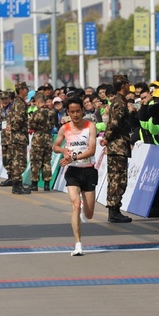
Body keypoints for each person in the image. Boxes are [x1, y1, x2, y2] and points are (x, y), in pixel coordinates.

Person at [53, 97, 98, 256]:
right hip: (72, 171)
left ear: (82, 111)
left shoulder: (90, 126)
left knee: (89, 213)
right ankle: (78, 244)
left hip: (88, 170)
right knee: (75, 204)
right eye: (72, 112)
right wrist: (63, 150)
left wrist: (74, 157)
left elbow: (91, 150)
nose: (75, 114)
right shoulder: (64, 128)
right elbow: (55, 146)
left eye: (78, 111)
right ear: (68, 112)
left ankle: (83, 212)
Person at [100, 75, 133, 223]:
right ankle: (114, 210)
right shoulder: (119, 102)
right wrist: (106, 137)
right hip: (118, 145)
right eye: (128, 84)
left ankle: (114, 209)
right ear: (123, 85)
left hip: (117, 145)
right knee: (118, 178)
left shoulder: (118, 101)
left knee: (116, 178)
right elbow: (114, 123)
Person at [29, 93, 56, 191]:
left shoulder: (37, 113)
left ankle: (34, 183)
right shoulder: (52, 112)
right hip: (48, 137)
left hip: (38, 138)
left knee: (36, 161)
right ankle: (47, 184)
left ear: (38, 102)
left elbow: (31, 125)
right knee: (47, 161)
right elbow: (53, 124)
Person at [9, 82, 31, 194]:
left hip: (17, 136)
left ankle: (17, 184)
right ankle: (17, 185)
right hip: (19, 136)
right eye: (25, 89)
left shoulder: (17, 102)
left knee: (17, 160)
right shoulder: (20, 103)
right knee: (19, 161)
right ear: (21, 90)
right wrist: (18, 130)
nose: (27, 91)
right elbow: (17, 120)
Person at [0, 89, 14, 186]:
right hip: (4, 138)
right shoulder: (1, 110)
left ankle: (13, 178)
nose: (4, 101)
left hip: (11, 138)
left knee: (12, 158)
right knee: (5, 159)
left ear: (9, 99)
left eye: (6, 99)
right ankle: (9, 176)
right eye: (2, 99)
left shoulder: (13, 109)